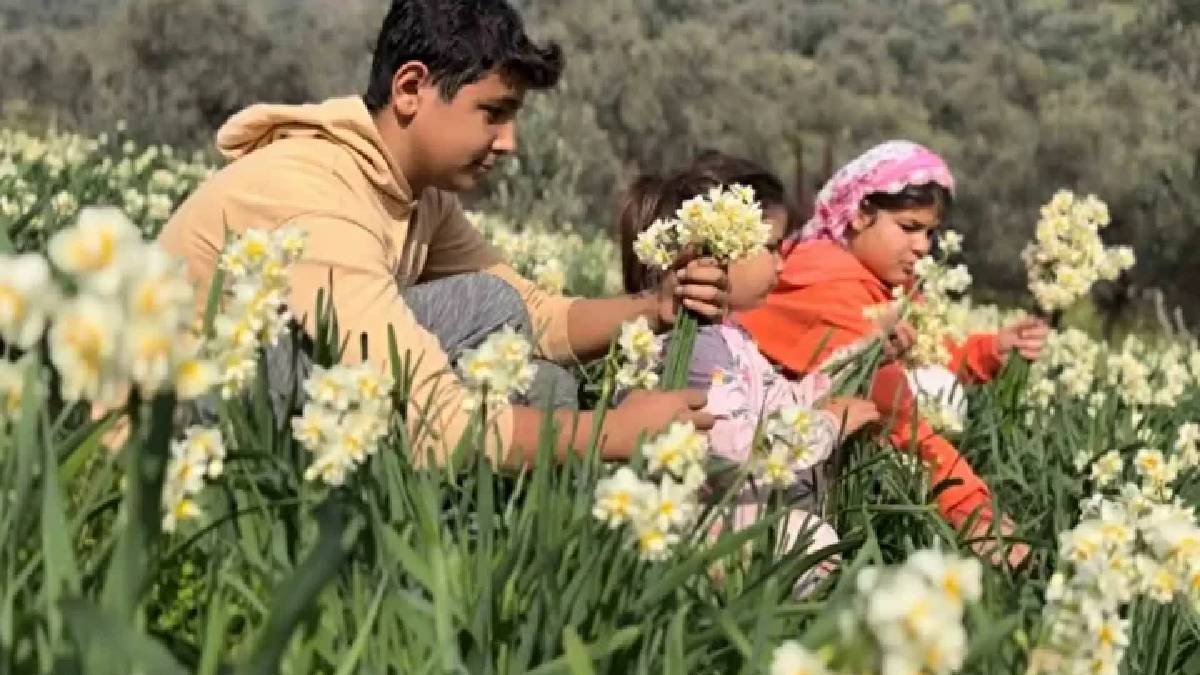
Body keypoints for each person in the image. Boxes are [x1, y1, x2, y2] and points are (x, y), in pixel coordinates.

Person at [158, 0, 729, 466]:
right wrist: (614, 432)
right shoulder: (313, 192)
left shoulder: (417, 192)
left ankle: (496, 563)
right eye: (493, 113)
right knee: (487, 309)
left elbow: (536, 318)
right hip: (180, 436)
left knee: (545, 383)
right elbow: (435, 420)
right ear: (411, 89)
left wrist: (657, 305)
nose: (509, 143)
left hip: (278, 411)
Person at [738, 140, 1048, 566]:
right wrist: (976, 517)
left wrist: (992, 350)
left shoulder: (872, 285)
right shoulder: (830, 287)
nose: (923, 246)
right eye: (909, 227)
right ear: (860, 214)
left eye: (930, 233)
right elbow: (898, 416)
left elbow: (930, 353)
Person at [615, 152, 880, 588]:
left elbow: (780, 402)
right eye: (771, 247)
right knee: (812, 542)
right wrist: (830, 423)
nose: (781, 264)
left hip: (739, 520)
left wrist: (858, 361)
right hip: (706, 535)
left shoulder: (729, 336)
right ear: (713, 249)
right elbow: (737, 449)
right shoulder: (695, 344)